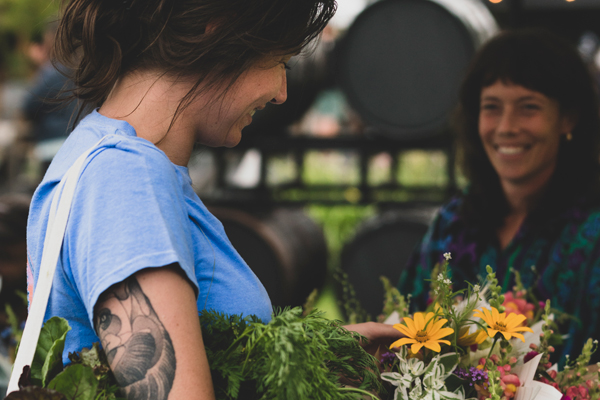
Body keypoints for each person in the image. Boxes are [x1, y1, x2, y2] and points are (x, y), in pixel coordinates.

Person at [25, 0, 401, 399]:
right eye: (281, 63)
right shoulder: (127, 177)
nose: (281, 94)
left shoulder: (99, 148)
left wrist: (317, 350)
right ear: (217, 30)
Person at [399, 28, 600, 363]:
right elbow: (407, 324)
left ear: (568, 118)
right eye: (491, 107)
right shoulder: (453, 222)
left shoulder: (592, 232)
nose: (506, 127)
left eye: (528, 107)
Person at [21, 18, 78, 177]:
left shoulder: (53, 71)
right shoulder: (84, 69)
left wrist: (39, 66)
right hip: (79, 144)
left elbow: (28, 106)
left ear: (55, 39)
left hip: (52, 146)